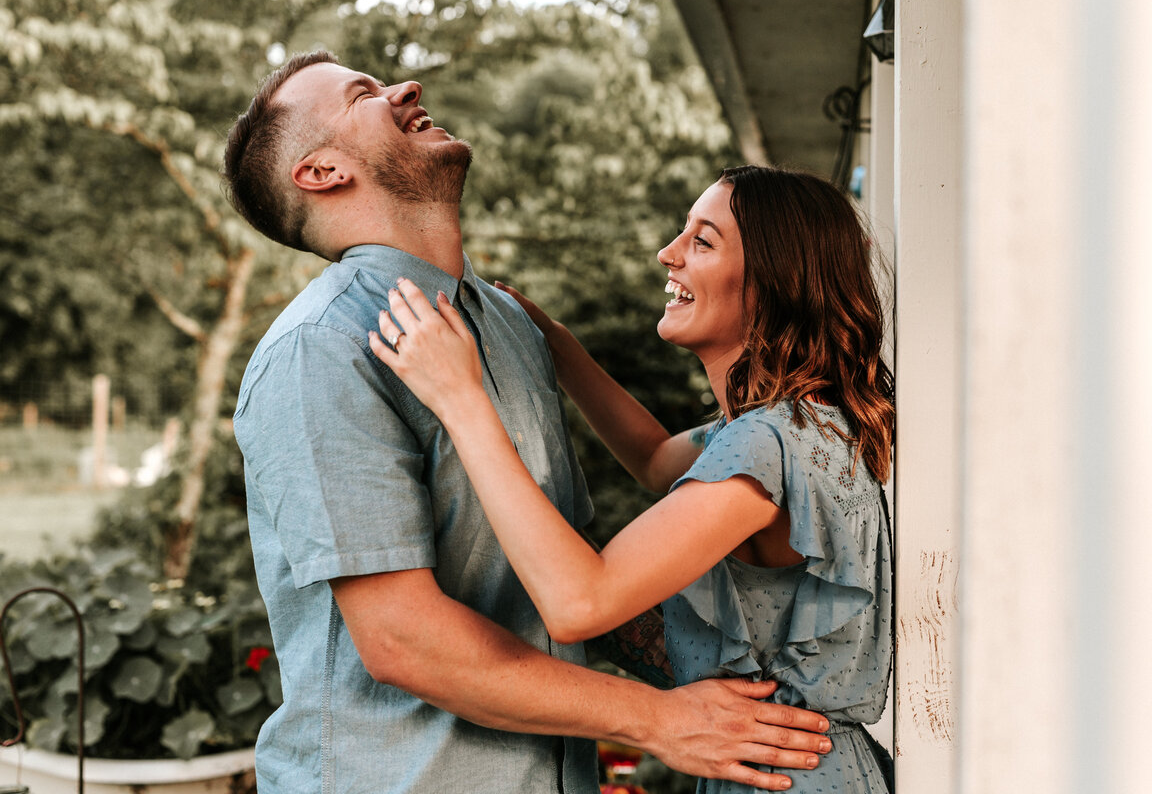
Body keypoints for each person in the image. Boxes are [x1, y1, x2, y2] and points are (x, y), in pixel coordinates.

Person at [224, 52, 832, 794]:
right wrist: (659, 720)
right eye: (365, 95)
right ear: (321, 173)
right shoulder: (319, 350)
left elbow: (562, 570)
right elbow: (403, 641)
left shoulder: (508, 325)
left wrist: (766, 677)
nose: (406, 89)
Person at [371, 165, 895, 793]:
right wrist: (553, 344)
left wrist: (461, 398)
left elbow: (578, 603)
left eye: (702, 242)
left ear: (772, 284)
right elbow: (652, 457)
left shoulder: (768, 443)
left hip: (787, 775)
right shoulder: (801, 425)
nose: (667, 253)